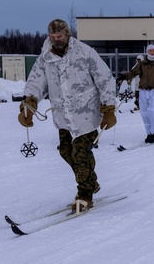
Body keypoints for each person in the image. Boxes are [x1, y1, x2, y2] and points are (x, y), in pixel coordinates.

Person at [18, 19, 116, 212]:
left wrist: (109, 108)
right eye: (52, 37)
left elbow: (104, 78)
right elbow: (36, 81)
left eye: (60, 36)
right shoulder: (45, 56)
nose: (56, 40)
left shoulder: (84, 52)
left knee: (80, 153)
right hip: (62, 115)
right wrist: (30, 104)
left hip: (85, 113)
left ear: (67, 35)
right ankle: (91, 181)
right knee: (65, 151)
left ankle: (85, 194)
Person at [120, 43, 154, 143]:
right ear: (147, 52)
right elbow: (133, 72)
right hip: (143, 90)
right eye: (150, 50)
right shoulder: (142, 63)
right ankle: (149, 133)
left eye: (153, 50)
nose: (152, 52)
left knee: (153, 111)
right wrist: (124, 76)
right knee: (144, 113)